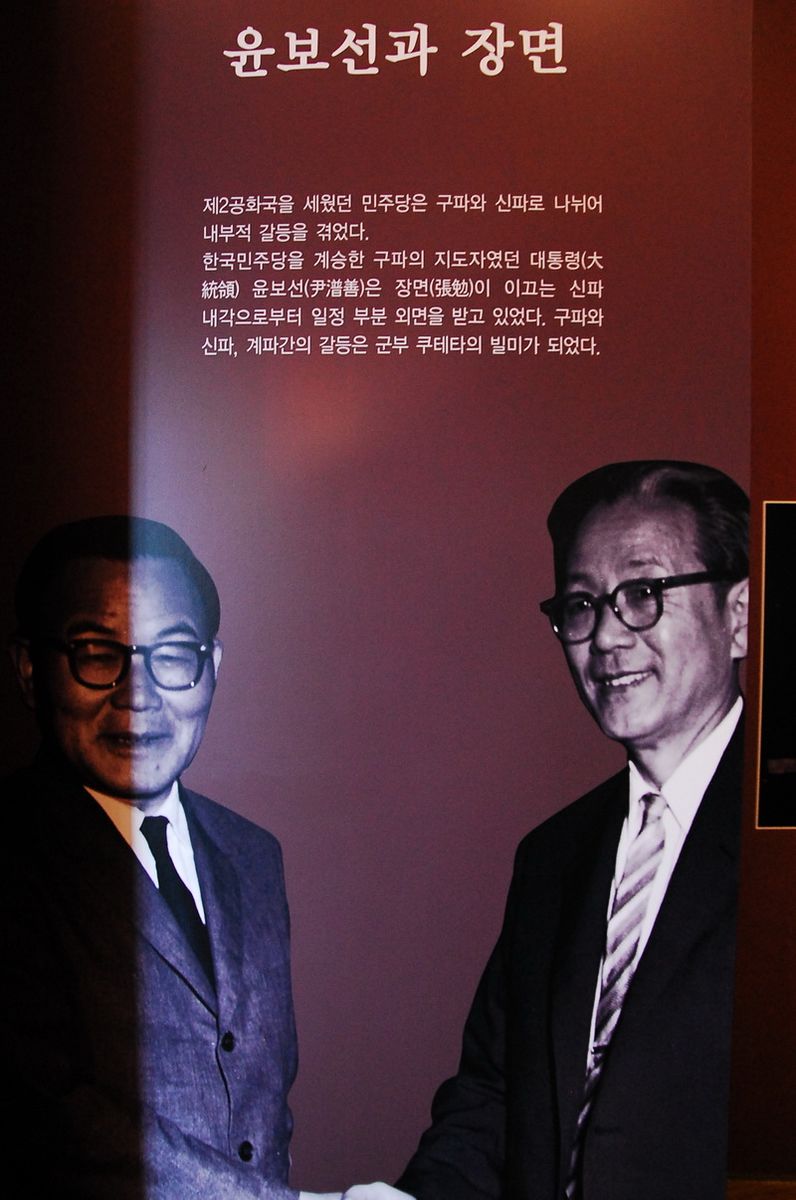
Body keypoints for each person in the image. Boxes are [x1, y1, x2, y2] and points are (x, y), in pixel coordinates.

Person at [343, 460, 749, 1200]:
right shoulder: (553, 856)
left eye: (643, 595)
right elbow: (492, 1100)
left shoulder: (779, 841)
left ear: (741, 617)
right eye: (581, 605)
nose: (608, 638)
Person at [2, 516, 340, 1200]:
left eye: (174, 654)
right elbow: (51, 1119)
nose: (138, 695)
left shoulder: (253, 856)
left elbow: (261, 1112)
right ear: (31, 671)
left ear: (212, 669)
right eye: (96, 653)